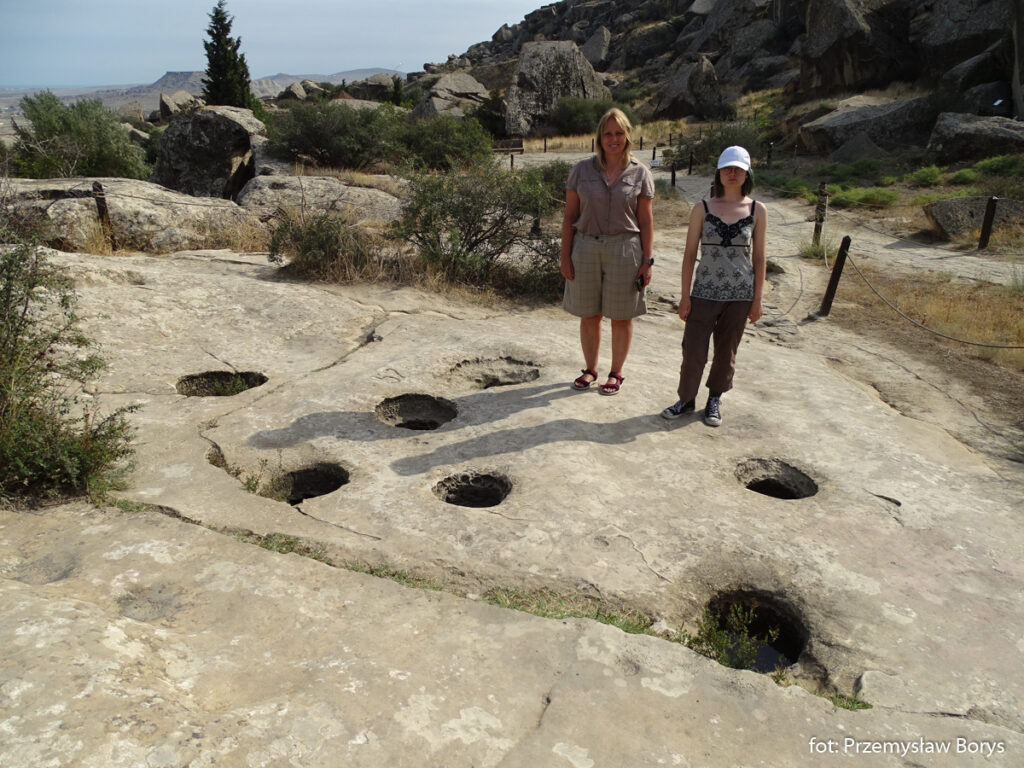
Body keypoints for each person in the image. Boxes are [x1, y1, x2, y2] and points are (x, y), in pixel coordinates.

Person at [661, 145, 766, 426]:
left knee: (726, 352)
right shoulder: (702, 208)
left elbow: (759, 258)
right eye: (727, 168)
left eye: (738, 169)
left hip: (740, 294)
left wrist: (757, 299)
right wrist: (685, 296)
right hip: (704, 292)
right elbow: (689, 255)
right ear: (718, 172)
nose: (732, 173)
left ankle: (714, 399)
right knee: (693, 350)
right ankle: (686, 399)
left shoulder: (757, 210)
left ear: (747, 174)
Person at [560, 108, 655, 395]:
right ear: (599, 138)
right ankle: (590, 369)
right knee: (588, 313)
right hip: (586, 246)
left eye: (619, 133)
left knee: (621, 315)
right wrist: (565, 256)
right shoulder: (581, 170)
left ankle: (616, 373)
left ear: (628, 136)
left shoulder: (640, 173)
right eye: (608, 133)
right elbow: (569, 216)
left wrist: (647, 260)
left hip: (625, 248)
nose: (613, 139)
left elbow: (646, 221)